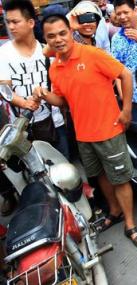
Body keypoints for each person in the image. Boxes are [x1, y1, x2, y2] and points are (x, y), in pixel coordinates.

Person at [36, 13, 137, 248]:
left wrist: (126, 110)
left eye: (62, 33)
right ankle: (115, 211)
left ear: (70, 32)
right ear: (46, 40)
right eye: (51, 36)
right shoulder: (54, 67)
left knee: (120, 179)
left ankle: (130, 223)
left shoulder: (92, 54)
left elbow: (125, 75)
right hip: (83, 134)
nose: (58, 39)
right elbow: (63, 100)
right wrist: (46, 95)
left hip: (109, 129)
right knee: (100, 176)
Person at [0, 0, 67, 216]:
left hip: (53, 121)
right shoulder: (4, 53)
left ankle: (69, 210)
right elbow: (4, 89)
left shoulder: (46, 49)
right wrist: (23, 102)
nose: (10, 27)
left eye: (15, 21)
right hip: (21, 127)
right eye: (7, 22)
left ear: (30, 22)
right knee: (31, 173)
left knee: (61, 165)